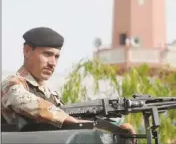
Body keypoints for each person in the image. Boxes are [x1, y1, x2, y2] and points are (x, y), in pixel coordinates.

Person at [1, 27, 136, 140]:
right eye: (47, 54)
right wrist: (72, 120)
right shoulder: (11, 84)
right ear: (27, 51)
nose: (52, 63)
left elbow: (71, 120)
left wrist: (115, 129)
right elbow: (28, 103)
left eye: (56, 56)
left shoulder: (51, 96)